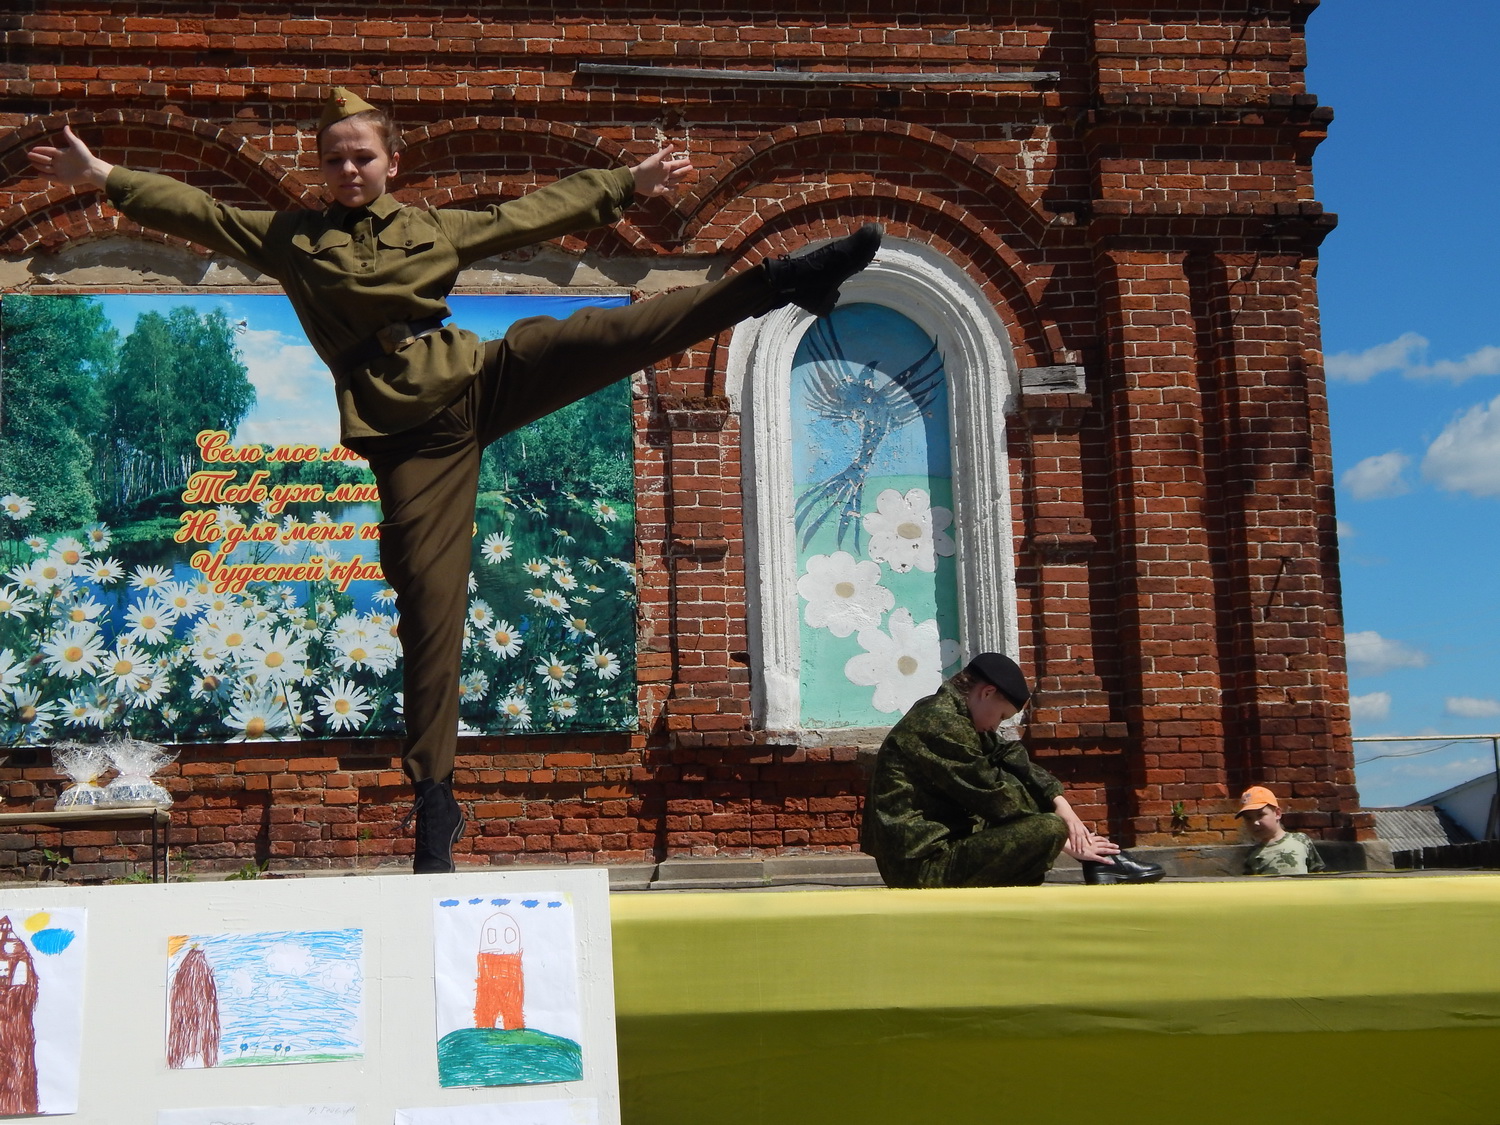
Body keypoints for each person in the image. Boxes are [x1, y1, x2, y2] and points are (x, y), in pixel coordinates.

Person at [27, 87, 882, 873]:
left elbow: (527, 216)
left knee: (604, 335)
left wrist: (629, 182)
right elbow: (202, 212)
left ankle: (781, 281)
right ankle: (435, 801)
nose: (350, 170)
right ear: (321, 168)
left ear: (390, 162)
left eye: (363, 156)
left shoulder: (429, 229)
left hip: (479, 377)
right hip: (413, 446)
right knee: (429, 610)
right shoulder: (295, 239)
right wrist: (101, 176)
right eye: (335, 159)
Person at [861, 652, 1166, 887]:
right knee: (1047, 828)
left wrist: (1062, 803)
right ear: (987, 692)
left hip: (940, 851)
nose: (997, 726)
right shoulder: (940, 724)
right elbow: (994, 796)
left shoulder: (952, 713)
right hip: (922, 867)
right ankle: (1099, 858)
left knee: (1022, 784)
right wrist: (1064, 837)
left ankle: (1099, 860)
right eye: (1002, 716)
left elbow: (1008, 754)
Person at [1236, 786, 1326, 875]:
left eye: (1260, 815)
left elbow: (1318, 873)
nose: (1255, 823)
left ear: (1277, 813)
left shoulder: (1301, 840)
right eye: (1248, 818)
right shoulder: (1252, 855)